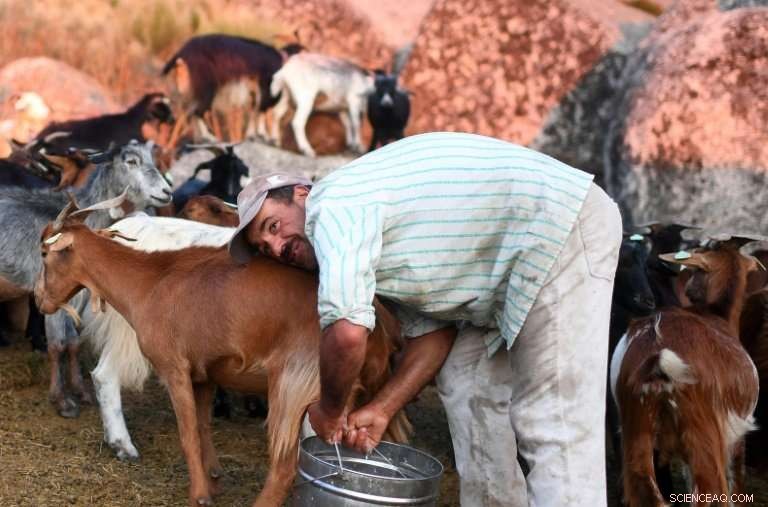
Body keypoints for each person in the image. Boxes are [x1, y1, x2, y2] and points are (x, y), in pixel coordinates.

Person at [228, 132, 622, 507]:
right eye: (267, 248)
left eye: (274, 226)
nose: (278, 247)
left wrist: (329, 411)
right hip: (504, 270)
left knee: (553, 420)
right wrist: (382, 408)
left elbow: (347, 334)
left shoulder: (333, 205)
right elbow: (433, 336)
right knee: (467, 385)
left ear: (301, 193)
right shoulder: (376, 233)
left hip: (557, 225)